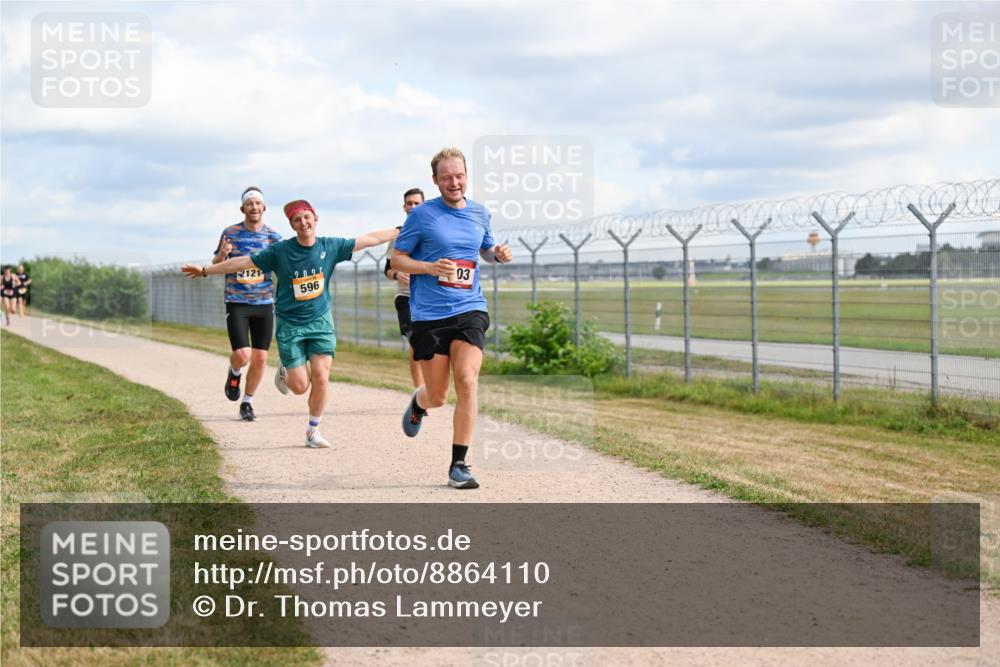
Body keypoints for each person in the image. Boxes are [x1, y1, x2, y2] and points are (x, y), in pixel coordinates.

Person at [182, 199, 398, 448]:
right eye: (297, 220)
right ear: (292, 225)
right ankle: (286, 371)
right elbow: (242, 262)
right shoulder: (280, 251)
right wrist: (206, 270)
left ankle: (312, 431)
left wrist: (398, 230)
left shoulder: (331, 246)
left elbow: (369, 239)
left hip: (320, 322)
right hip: (290, 325)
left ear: (315, 219)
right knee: (299, 387)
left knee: (321, 376)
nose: (303, 223)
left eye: (307, 217)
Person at [390, 148, 513, 489]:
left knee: (468, 381)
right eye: (446, 177)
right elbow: (397, 261)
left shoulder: (479, 212)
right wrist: (429, 267)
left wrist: (497, 255)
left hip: (470, 307)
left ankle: (459, 464)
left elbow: (485, 250)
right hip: (430, 314)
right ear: (435, 181)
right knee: (439, 396)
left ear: (466, 175)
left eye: (458, 176)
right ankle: (419, 402)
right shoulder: (422, 216)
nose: (453, 182)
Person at [213, 186, 283, 422]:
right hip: (237, 301)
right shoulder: (230, 232)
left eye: (258, 203)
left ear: (264, 208)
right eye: (249, 204)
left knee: (261, 357)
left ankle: (247, 403)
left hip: (264, 302)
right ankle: (234, 373)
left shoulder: (273, 237)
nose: (254, 207)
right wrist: (223, 254)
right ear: (243, 208)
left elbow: (284, 266)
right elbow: (216, 262)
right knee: (243, 355)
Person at [384, 187, 426, 389]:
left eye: (417, 203)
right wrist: (397, 273)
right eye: (409, 203)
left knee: (430, 345)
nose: (413, 207)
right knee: (415, 342)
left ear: (424, 205)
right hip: (405, 296)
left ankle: (430, 387)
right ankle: (418, 391)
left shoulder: (432, 232)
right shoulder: (398, 234)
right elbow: (387, 269)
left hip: (427, 296)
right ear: (404, 207)